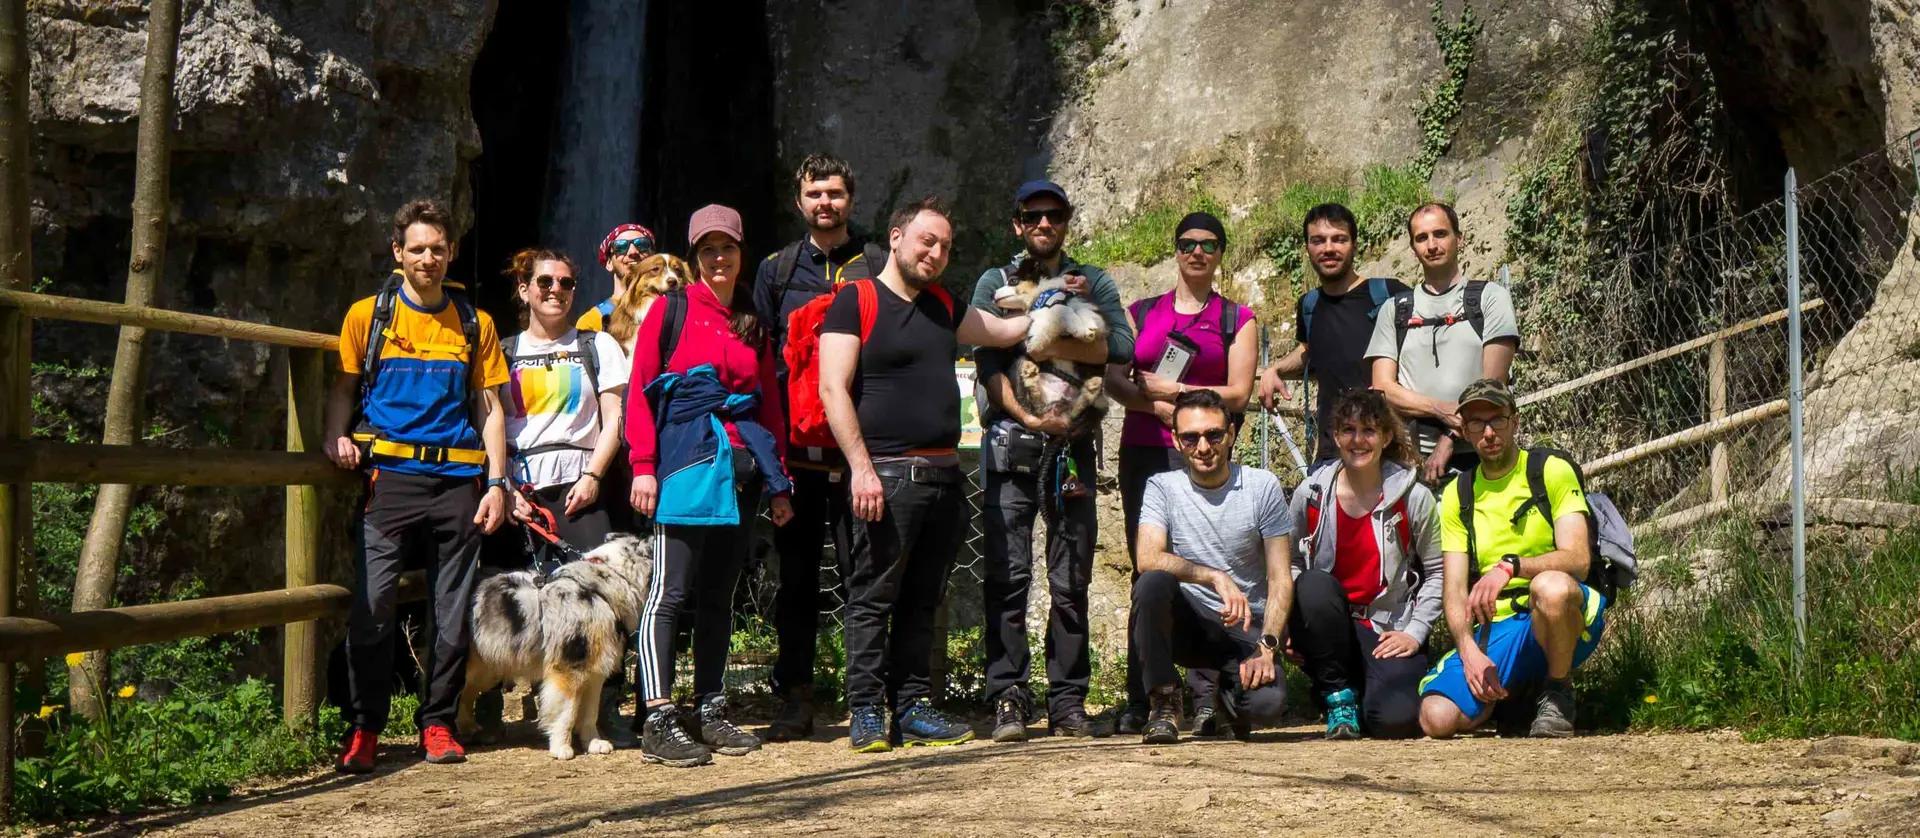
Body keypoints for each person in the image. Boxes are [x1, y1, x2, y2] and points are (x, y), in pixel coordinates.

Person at [818, 196, 1032, 753]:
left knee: (922, 599)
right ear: (896, 238)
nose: (936, 253)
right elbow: (832, 389)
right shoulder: (855, 299)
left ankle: (912, 708)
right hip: (885, 478)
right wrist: (861, 470)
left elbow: (1002, 332)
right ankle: (867, 711)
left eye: (945, 247)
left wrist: (1055, 303)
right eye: (927, 241)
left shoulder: (943, 304)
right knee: (872, 598)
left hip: (944, 479)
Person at [323, 199, 512, 772]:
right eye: (417, 248)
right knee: (373, 606)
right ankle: (365, 728)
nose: (428, 258)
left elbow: (490, 408)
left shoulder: (475, 322)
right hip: (390, 480)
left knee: (451, 611)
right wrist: (335, 436)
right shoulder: (368, 316)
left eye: (438, 249)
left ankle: (438, 723)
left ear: (450, 253)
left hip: (457, 481)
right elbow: (344, 387)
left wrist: (497, 483)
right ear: (397, 252)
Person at [626, 205, 796, 767]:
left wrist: (779, 482)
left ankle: (710, 708)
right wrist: (642, 465)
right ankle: (657, 717)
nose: (718, 258)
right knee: (670, 592)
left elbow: (769, 405)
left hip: (742, 468)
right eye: (707, 249)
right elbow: (641, 391)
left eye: (727, 247)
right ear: (695, 256)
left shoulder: (751, 319)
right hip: (684, 463)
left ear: (742, 252)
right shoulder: (670, 310)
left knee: (720, 595)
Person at [969, 180, 1135, 742]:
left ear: (1066, 221)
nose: (1044, 224)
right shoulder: (994, 280)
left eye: (1055, 214)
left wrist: (1037, 338)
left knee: (1071, 579)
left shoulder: (1094, 280)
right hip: (1013, 443)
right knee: (1007, 577)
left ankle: (1067, 701)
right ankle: (1008, 696)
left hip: (1073, 450)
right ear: (1018, 223)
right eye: (1033, 215)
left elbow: (1122, 346)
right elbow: (987, 358)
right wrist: (1030, 415)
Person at [1103, 210, 1257, 736]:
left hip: (1203, 451)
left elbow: (1240, 393)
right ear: (1175, 250)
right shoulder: (1141, 312)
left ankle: (1206, 696)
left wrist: (1173, 394)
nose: (1197, 253)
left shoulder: (1236, 318)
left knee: (1206, 563)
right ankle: (1146, 696)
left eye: (1209, 245)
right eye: (1188, 243)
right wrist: (1159, 410)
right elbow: (1116, 381)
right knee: (1149, 572)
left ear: (1221, 254)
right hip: (1145, 451)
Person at [751, 154, 888, 742]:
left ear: (851, 198)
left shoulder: (879, 263)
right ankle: (796, 698)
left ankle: (869, 699)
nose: (824, 203)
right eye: (814, 193)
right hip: (798, 456)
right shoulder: (776, 270)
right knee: (797, 579)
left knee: (867, 578)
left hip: (863, 453)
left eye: (834, 193)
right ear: (799, 201)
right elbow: (760, 362)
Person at [1418, 379, 1607, 739]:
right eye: (1477, 423)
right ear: (1465, 432)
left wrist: (1511, 566)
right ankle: (1514, 696)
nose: (1489, 433)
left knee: (1549, 588)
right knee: (1435, 717)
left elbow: (1578, 560)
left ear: (1515, 422)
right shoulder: (1458, 494)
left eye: (1497, 420)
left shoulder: (1549, 470)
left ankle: (1558, 692)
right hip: (1499, 623)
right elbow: (1454, 590)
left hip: (1562, 612)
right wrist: (1469, 652)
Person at [1130, 389, 1294, 744]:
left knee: (1267, 705)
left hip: (1246, 627)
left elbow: (1281, 576)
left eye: (1213, 435)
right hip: (1190, 624)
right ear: (1177, 441)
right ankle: (1164, 702)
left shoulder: (1261, 486)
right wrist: (1213, 576)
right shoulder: (1162, 486)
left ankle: (1225, 702)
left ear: (1231, 434)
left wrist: (1267, 646)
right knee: (1152, 583)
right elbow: (1147, 557)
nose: (1203, 447)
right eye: (1191, 438)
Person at [1285, 388, 1441, 740]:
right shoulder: (1311, 493)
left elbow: (1438, 571)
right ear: (1335, 435)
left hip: (1387, 626)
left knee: (1394, 721)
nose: (1358, 440)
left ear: (1386, 437)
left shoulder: (1413, 497)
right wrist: (1294, 623)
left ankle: (1357, 694)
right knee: (1313, 584)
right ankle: (1337, 694)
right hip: (1328, 624)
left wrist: (1415, 632)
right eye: (1349, 430)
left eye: (1369, 430)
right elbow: (1289, 563)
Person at [1364, 203, 1519, 484]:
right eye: (1422, 238)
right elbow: (1382, 389)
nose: (1432, 245)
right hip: (1410, 462)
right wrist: (1440, 409)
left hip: (1483, 455)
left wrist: (1448, 439)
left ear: (1459, 239)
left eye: (1440, 234)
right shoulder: (1394, 310)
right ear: (1413, 248)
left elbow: (1492, 386)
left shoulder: (1490, 298)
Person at [496, 248, 629, 555]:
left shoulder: (599, 344)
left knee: (591, 581)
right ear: (524, 291)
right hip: (517, 493)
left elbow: (615, 419)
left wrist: (593, 477)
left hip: (580, 487)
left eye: (565, 283)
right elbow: (489, 425)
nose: (556, 289)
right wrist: (505, 487)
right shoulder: (502, 353)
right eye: (545, 281)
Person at [1258, 203, 1411, 464]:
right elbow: (1308, 349)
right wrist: (1275, 369)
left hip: (1386, 450)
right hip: (1332, 451)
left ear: (1355, 245)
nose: (1328, 248)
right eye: (1318, 240)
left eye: (1339, 239)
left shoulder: (1390, 295)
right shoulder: (1309, 305)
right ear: (1307, 248)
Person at [578, 223, 657, 332]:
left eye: (642, 244)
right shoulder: (591, 322)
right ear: (609, 263)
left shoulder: (670, 309)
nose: (633, 252)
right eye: (621, 247)